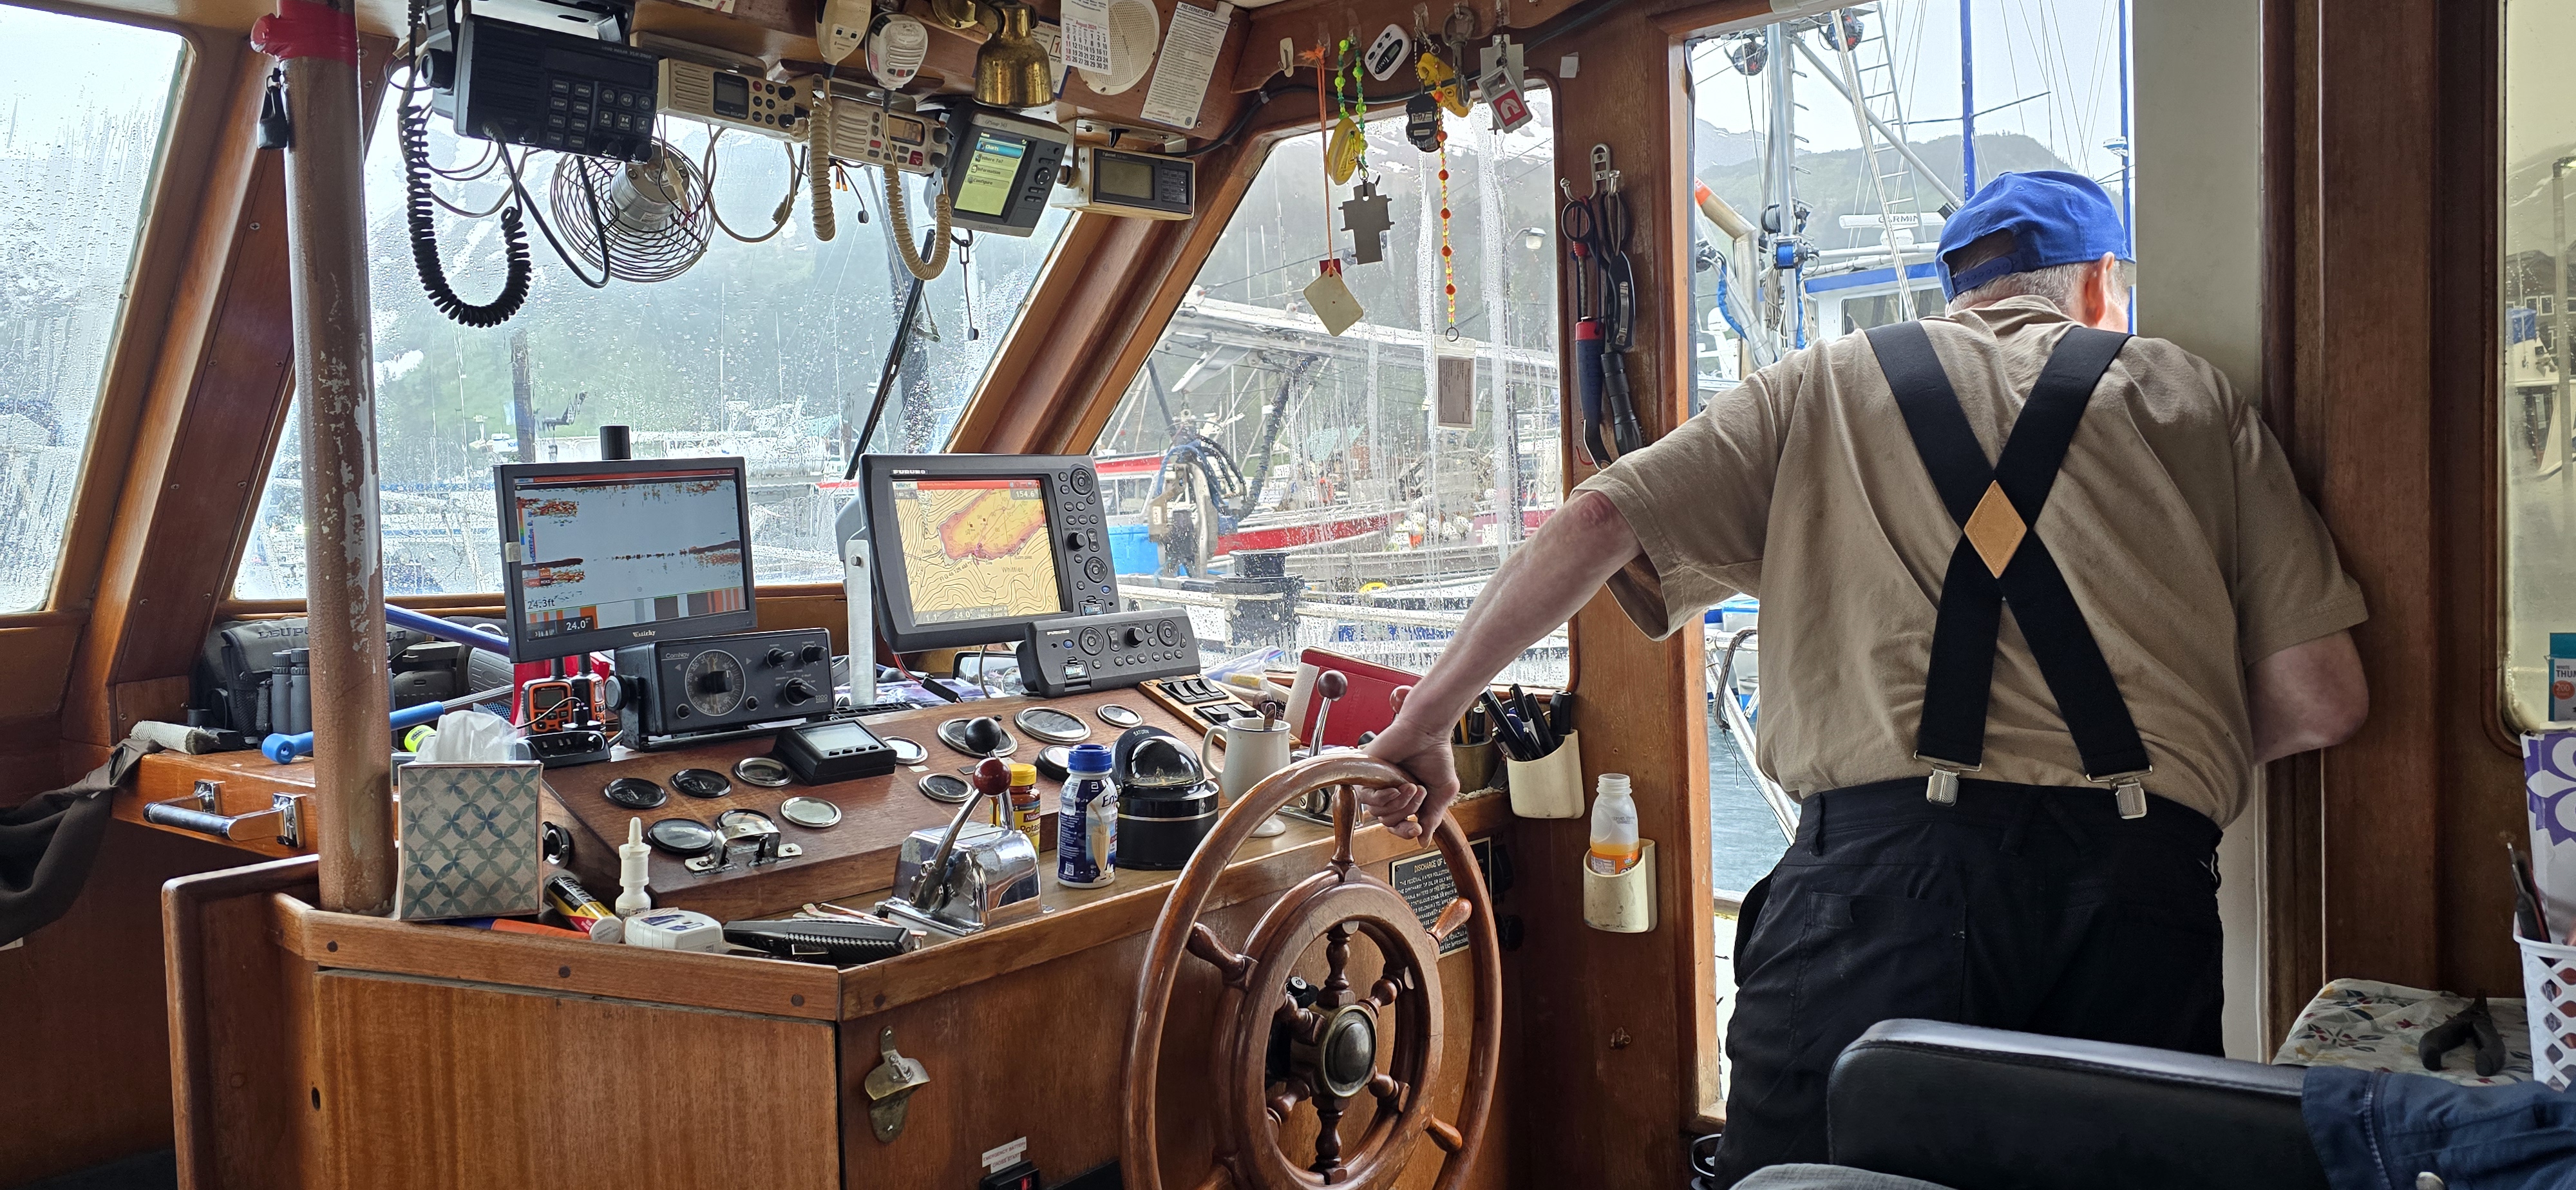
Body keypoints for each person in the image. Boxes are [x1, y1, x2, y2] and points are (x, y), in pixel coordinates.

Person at [1358, 170, 2370, 1185]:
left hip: (1882, 890)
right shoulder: (2190, 396)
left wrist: (1428, 719)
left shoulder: (1827, 382)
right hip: (2139, 897)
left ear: (1957, 293)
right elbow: (2323, 697)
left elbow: (1596, 520)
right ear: (2101, 283)